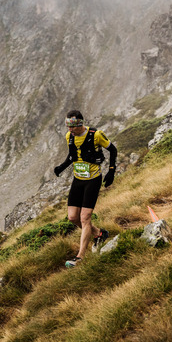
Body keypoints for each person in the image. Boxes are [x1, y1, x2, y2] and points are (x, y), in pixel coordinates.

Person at [53, 109, 118, 267]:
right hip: (78, 180)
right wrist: (61, 167)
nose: (70, 130)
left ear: (80, 124)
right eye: (68, 126)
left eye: (73, 126)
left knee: (85, 218)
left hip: (93, 180)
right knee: (73, 218)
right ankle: (99, 234)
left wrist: (111, 171)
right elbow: (72, 155)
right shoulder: (70, 137)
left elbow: (112, 149)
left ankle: (80, 256)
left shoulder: (96, 135)